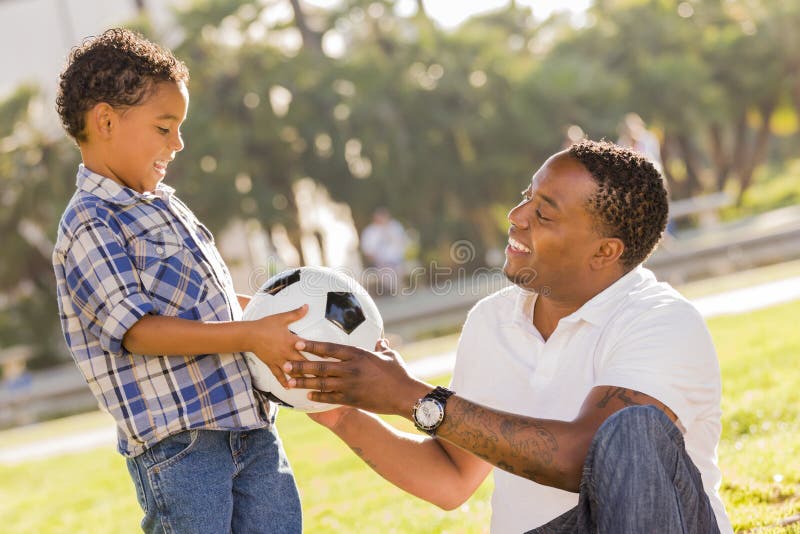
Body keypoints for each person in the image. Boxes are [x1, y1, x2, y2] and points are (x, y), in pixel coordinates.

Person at [283, 140, 732, 533]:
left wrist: (409, 396)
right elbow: (452, 477)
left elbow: (585, 458)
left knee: (631, 430)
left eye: (544, 213)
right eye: (526, 198)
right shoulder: (492, 321)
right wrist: (342, 413)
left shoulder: (661, 321)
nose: (516, 217)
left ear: (605, 251)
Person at [52, 29, 307, 533]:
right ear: (105, 120)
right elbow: (138, 330)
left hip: (249, 427)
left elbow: (205, 304)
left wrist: (269, 317)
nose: (179, 143)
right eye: (164, 128)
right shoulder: (90, 224)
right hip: (182, 446)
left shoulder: (165, 204)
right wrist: (249, 335)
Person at [360, 207, 408, 293]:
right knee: (388, 272)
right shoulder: (370, 232)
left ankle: (397, 291)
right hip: (381, 262)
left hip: (398, 259)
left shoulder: (395, 226)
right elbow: (368, 252)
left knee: (397, 270)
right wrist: (377, 260)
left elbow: (403, 242)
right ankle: (397, 291)